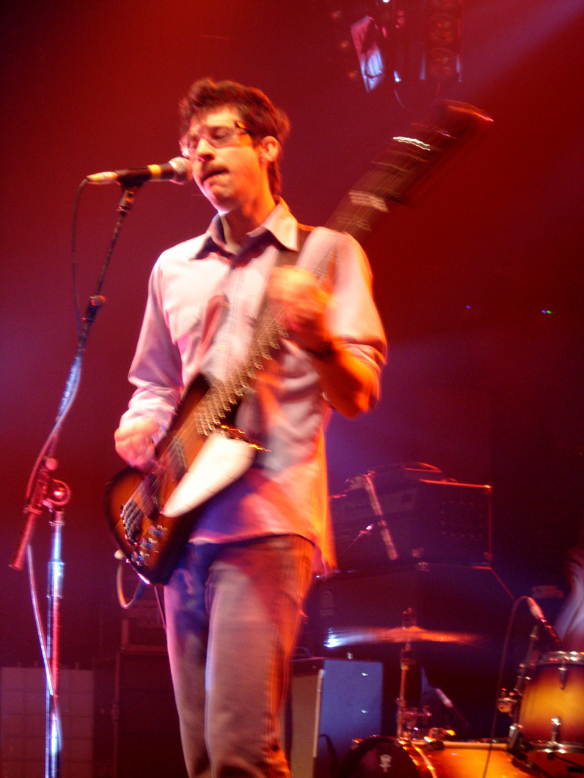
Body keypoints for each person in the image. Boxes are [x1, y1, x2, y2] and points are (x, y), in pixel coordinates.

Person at [114, 78, 386, 778]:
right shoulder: (172, 268)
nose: (200, 152)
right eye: (189, 143)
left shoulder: (327, 255)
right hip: (178, 531)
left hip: (267, 525)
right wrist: (141, 427)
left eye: (218, 136)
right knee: (202, 756)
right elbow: (153, 383)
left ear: (267, 149)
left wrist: (319, 339)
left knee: (242, 751)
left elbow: (359, 394)